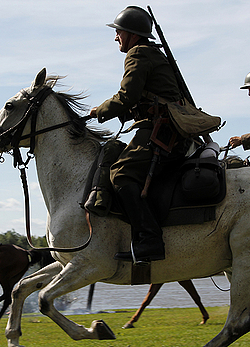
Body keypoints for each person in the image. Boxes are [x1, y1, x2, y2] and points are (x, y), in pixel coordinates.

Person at [89, 6, 186, 264]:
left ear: (131, 34)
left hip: (161, 130)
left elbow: (127, 95)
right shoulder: (152, 53)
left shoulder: (138, 53)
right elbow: (145, 98)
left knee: (120, 173)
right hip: (165, 126)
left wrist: (101, 110)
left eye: (119, 31)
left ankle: (150, 240)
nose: (116, 37)